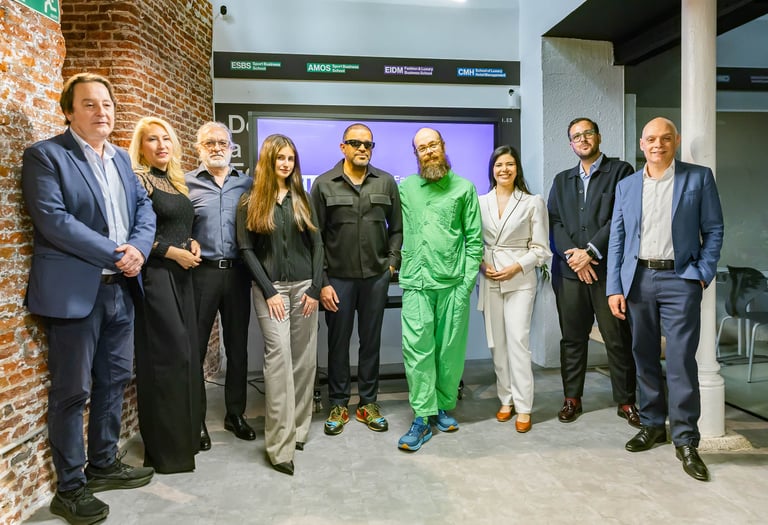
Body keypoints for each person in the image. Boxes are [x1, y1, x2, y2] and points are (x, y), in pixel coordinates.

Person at [21, 72, 156, 524]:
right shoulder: (46, 156)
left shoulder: (121, 159)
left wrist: (139, 250)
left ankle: (102, 463)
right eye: (90, 104)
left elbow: (144, 209)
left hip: (121, 289)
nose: (102, 112)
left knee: (114, 380)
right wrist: (119, 254)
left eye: (107, 104)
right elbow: (54, 220)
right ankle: (70, 488)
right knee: (72, 390)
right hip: (76, 294)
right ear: (68, 111)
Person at [607, 117, 724, 482]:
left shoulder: (698, 178)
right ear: (642, 144)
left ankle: (686, 439)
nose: (658, 144)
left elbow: (714, 229)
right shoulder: (627, 186)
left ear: (676, 141)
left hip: (681, 279)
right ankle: (653, 425)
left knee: (680, 360)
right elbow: (618, 238)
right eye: (651, 139)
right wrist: (614, 287)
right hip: (638, 279)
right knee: (643, 355)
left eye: (665, 138)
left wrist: (701, 274)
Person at [236, 134, 323, 475]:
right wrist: (269, 289)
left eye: (290, 159)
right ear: (268, 161)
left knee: (304, 361)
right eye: (280, 158)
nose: (286, 164)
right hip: (269, 290)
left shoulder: (302, 197)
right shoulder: (250, 200)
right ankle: (279, 446)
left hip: (304, 289)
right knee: (279, 360)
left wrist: (315, 288)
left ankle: (299, 429)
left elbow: (317, 245)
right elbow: (246, 249)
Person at [310, 123, 403, 436]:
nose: (362, 148)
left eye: (368, 144)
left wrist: (391, 264)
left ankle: (368, 403)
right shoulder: (323, 184)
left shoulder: (386, 182)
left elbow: (397, 229)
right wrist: (323, 281)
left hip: (376, 278)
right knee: (338, 343)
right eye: (355, 143)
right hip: (338, 279)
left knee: (370, 342)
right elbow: (315, 238)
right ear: (343, 147)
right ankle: (338, 403)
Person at [548, 118, 640, 427]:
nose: (583, 139)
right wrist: (574, 257)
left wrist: (590, 252)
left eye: (588, 133)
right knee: (572, 339)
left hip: (608, 272)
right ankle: (572, 399)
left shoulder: (621, 171)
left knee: (617, 338)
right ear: (570, 144)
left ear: (598, 137)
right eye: (576, 136)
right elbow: (554, 222)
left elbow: (621, 217)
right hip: (569, 273)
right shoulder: (562, 180)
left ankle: (626, 401)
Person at [397, 127, 483, 452]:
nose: (429, 151)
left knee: (449, 352)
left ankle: (443, 406)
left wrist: (465, 285)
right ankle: (422, 416)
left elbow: (474, 240)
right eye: (422, 148)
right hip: (416, 283)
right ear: (416, 154)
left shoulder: (464, 188)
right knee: (417, 350)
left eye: (433, 145)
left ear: (443, 146)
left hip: (452, 285)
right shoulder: (406, 188)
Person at [128, 116, 202, 473]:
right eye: (152, 139)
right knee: (166, 361)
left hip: (183, 277)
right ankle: (165, 453)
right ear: (140, 147)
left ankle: (184, 442)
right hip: (156, 277)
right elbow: (133, 233)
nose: (161, 145)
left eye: (166, 138)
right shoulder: (138, 180)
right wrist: (172, 252)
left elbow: (177, 225)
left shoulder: (174, 181)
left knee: (185, 359)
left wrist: (191, 241)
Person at [186, 122, 254, 449]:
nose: (216, 148)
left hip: (239, 273)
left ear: (232, 148)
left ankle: (235, 414)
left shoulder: (247, 184)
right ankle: (196, 420)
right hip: (202, 274)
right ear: (198, 148)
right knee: (196, 348)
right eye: (209, 143)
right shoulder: (186, 183)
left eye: (222, 143)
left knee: (238, 347)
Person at [478, 145, 551, 433]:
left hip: (520, 280)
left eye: (509, 164)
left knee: (518, 341)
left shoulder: (533, 202)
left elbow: (541, 249)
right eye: (499, 165)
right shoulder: (480, 201)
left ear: (517, 168)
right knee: (497, 344)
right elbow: (473, 241)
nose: (504, 169)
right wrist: (482, 265)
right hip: (489, 278)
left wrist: (515, 267)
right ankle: (505, 399)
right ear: (492, 169)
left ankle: (524, 406)